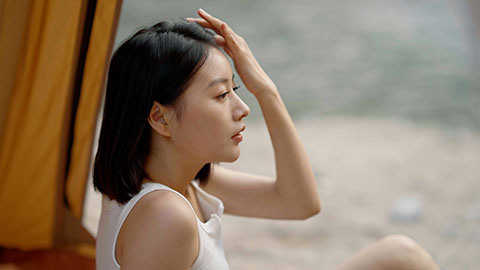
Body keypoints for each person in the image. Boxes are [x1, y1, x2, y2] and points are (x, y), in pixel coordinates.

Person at [93, 8, 440, 270]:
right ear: (159, 117)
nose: (242, 108)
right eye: (220, 96)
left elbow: (299, 203)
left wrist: (268, 91)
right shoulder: (164, 215)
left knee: (399, 254)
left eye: (238, 90)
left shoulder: (178, 183)